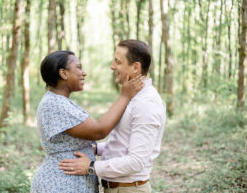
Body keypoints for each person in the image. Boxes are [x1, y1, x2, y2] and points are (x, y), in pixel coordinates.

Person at [59, 40, 166, 193]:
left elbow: (136, 161)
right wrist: (96, 148)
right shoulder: (132, 96)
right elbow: (123, 143)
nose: (112, 66)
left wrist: (91, 167)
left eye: (118, 62)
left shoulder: (146, 103)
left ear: (135, 67)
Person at [31, 50, 144, 193]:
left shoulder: (58, 101)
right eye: (78, 67)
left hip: (69, 182)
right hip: (60, 184)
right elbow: (99, 130)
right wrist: (125, 95)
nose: (84, 73)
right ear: (63, 73)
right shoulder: (55, 104)